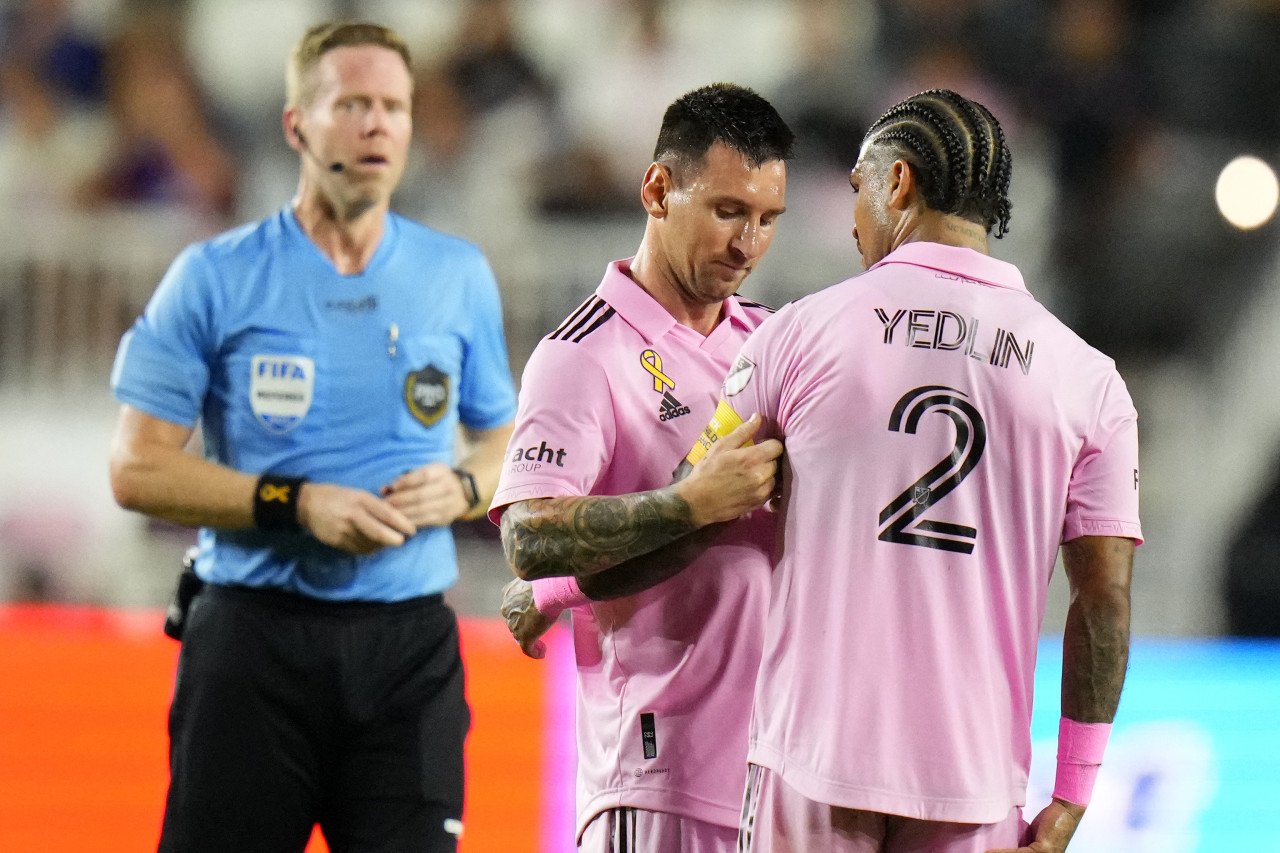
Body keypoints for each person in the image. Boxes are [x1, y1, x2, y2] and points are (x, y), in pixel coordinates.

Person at [107, 22, 517, 853]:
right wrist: (294, 503)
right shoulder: (216, 276)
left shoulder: (457, 274)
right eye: (352, 103)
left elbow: (504, 435)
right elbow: (135, 468)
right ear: (297, 125)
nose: (377, 125)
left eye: (394, 107)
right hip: (253, 645)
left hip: (409, 646)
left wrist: (466, 486)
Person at [712, 89, 1140, 853]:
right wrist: (1070, 798)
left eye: (857, 189)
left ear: (899, 183)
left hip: (812, 760)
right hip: (972, 785)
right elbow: (1103, 603)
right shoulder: (1089, 379)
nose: (852, 221)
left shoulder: (798, 333)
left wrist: (559, 584)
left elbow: (696, 503)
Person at [490, 83, 793, 852]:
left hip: (784, 778)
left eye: (766, 220)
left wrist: (559, 590)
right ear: (657, 189)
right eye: (728, 211)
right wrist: (689, 504)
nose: (747, 243)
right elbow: (528, 540)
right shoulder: (582, 355)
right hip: (659, 778)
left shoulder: (773, 340)